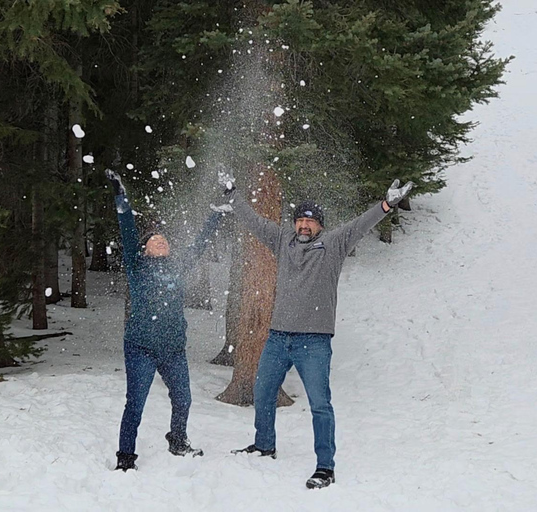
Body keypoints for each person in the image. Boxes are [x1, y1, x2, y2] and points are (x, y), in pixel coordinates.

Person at [221, 175, 414, 488]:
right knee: (263, 391)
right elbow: (254, 223)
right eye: (300, 221)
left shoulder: (334, 245)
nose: (304, 226)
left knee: (320, 404)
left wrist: (386, 205)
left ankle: (325, 467)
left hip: (314, 341)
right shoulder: (282, 240)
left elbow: (361, 224)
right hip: (278, 336)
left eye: (310, 222)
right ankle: (264, 445)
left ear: (319, 226)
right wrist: (233, 195)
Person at [106, 170, 224, 471]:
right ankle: (125, 457)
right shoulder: (137, 266)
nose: (160, 241)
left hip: (173, 349)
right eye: (154, 239)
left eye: (164, 239)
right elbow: (127, 229)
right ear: (145, 248)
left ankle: (178, 440)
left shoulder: (178, 265)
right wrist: (121, 196)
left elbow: (201, 242)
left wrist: (217, 211)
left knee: (183, 399)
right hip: (140, 347)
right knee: (135, 404)